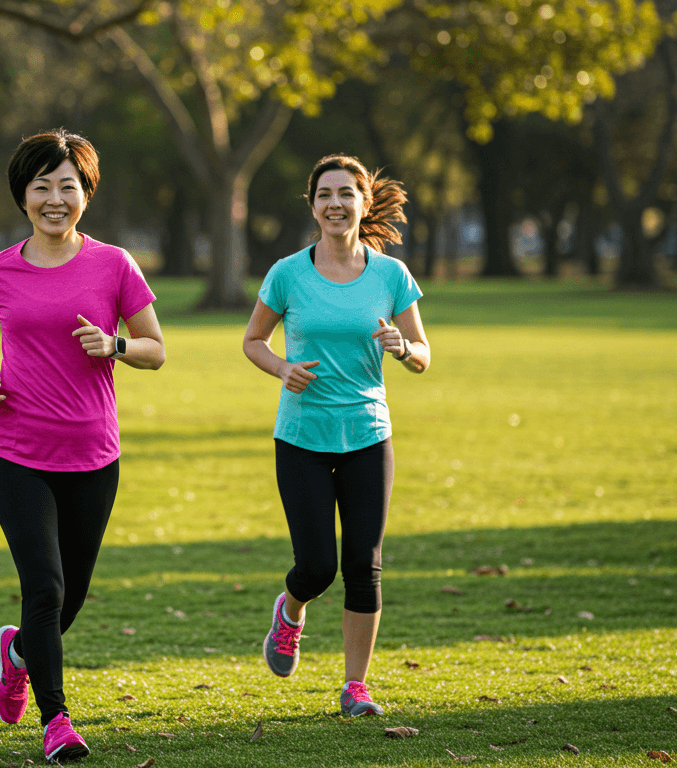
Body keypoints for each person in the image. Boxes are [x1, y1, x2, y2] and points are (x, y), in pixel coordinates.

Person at [0, 130, 166, 762]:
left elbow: (156, 349)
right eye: (41, 186)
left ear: (86, 193)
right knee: (44, 587)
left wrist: (117, 347)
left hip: (94, 456)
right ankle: (58, 720)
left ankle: (18, 652)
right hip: (17, 452)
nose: (55, 198)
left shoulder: (114, 265)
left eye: (67, 185)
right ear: (23, 195)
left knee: (69, 596)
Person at [242, 154, 430, 717]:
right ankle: (291, 612)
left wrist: (403, 348)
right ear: (313, 205)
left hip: (369, 436)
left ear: (363, 203)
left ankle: (355, 687)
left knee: (364, 564)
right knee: (318, 565)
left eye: (346, 193)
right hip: (301, 436)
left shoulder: (391, 276)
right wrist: (281, 369)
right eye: (325, 194)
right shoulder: (288, 273)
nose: (335, 204)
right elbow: (253, 340)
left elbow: (423, 355)